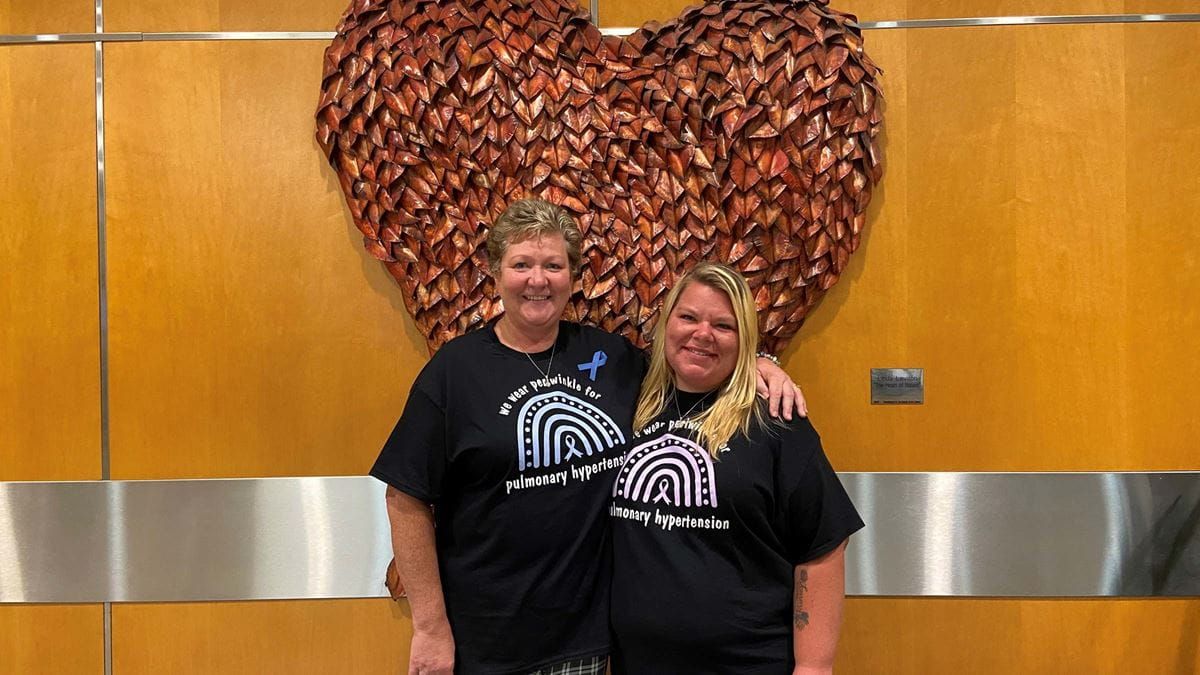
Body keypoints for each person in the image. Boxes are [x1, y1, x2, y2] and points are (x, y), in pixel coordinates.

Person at [370, 199, 805, 675]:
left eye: (553, 265)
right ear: (495, 272)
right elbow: (405, 499)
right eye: (522, 265)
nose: (538, 280)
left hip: (588, 644)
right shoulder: (453, 373)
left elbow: (692, 365)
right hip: (487, 642)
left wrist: (762, 364)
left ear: (573, 276)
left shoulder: (611, 358)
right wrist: (430, 629)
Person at [609, 262, 863, 675]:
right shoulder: (631, 402)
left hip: (747, 662)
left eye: (723, 326)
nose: (702, 334)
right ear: (667, 323)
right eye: (688, 317)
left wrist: (814, 667)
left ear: (744, 339)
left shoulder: (775, 421)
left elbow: (823, 546)